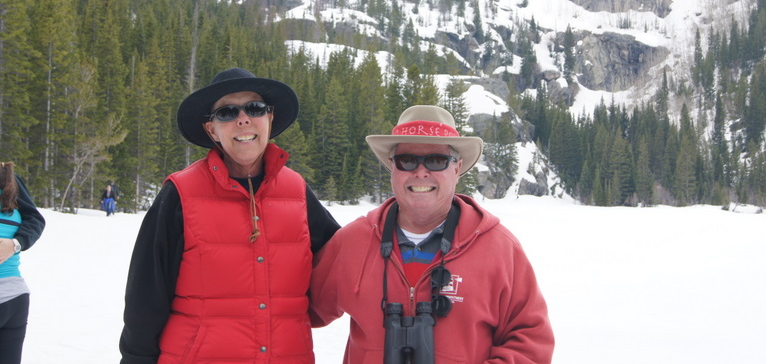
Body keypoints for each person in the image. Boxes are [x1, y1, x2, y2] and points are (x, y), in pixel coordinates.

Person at [119, 67, 340, 363]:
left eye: (255, 108)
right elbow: (145, 296)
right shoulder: (180, 192)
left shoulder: (297, 190)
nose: (243, 118)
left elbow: (343, 265)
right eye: (226, 112)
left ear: (269, 118)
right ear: (212, 129)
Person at [309, 105, 555, 364]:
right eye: (407, 160)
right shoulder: (352, 242)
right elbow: (293, 308)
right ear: (392, 167)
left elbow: (531, 341)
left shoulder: (500, 249)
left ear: (457, 168)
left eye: (436, 160)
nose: (421, 172)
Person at [0, 161, 46, 364]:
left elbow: (34, 219)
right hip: (15, 298)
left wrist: (16, 244)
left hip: (12, 296)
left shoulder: (8, 179)